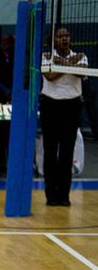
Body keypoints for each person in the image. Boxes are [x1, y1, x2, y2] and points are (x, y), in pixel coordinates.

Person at [41, 26, 88, 206]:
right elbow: (50, 76)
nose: (64, 38)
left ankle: (64, 196)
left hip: (72, 105)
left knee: (67, 152)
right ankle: (51, 195)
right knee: (50, 151)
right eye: (60, 36)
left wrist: (62, 64)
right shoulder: (46, 57)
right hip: (51, 105)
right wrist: (69, 64)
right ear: (54, 40)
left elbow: (81, 72)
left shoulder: (81, 56)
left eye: (67, 35)